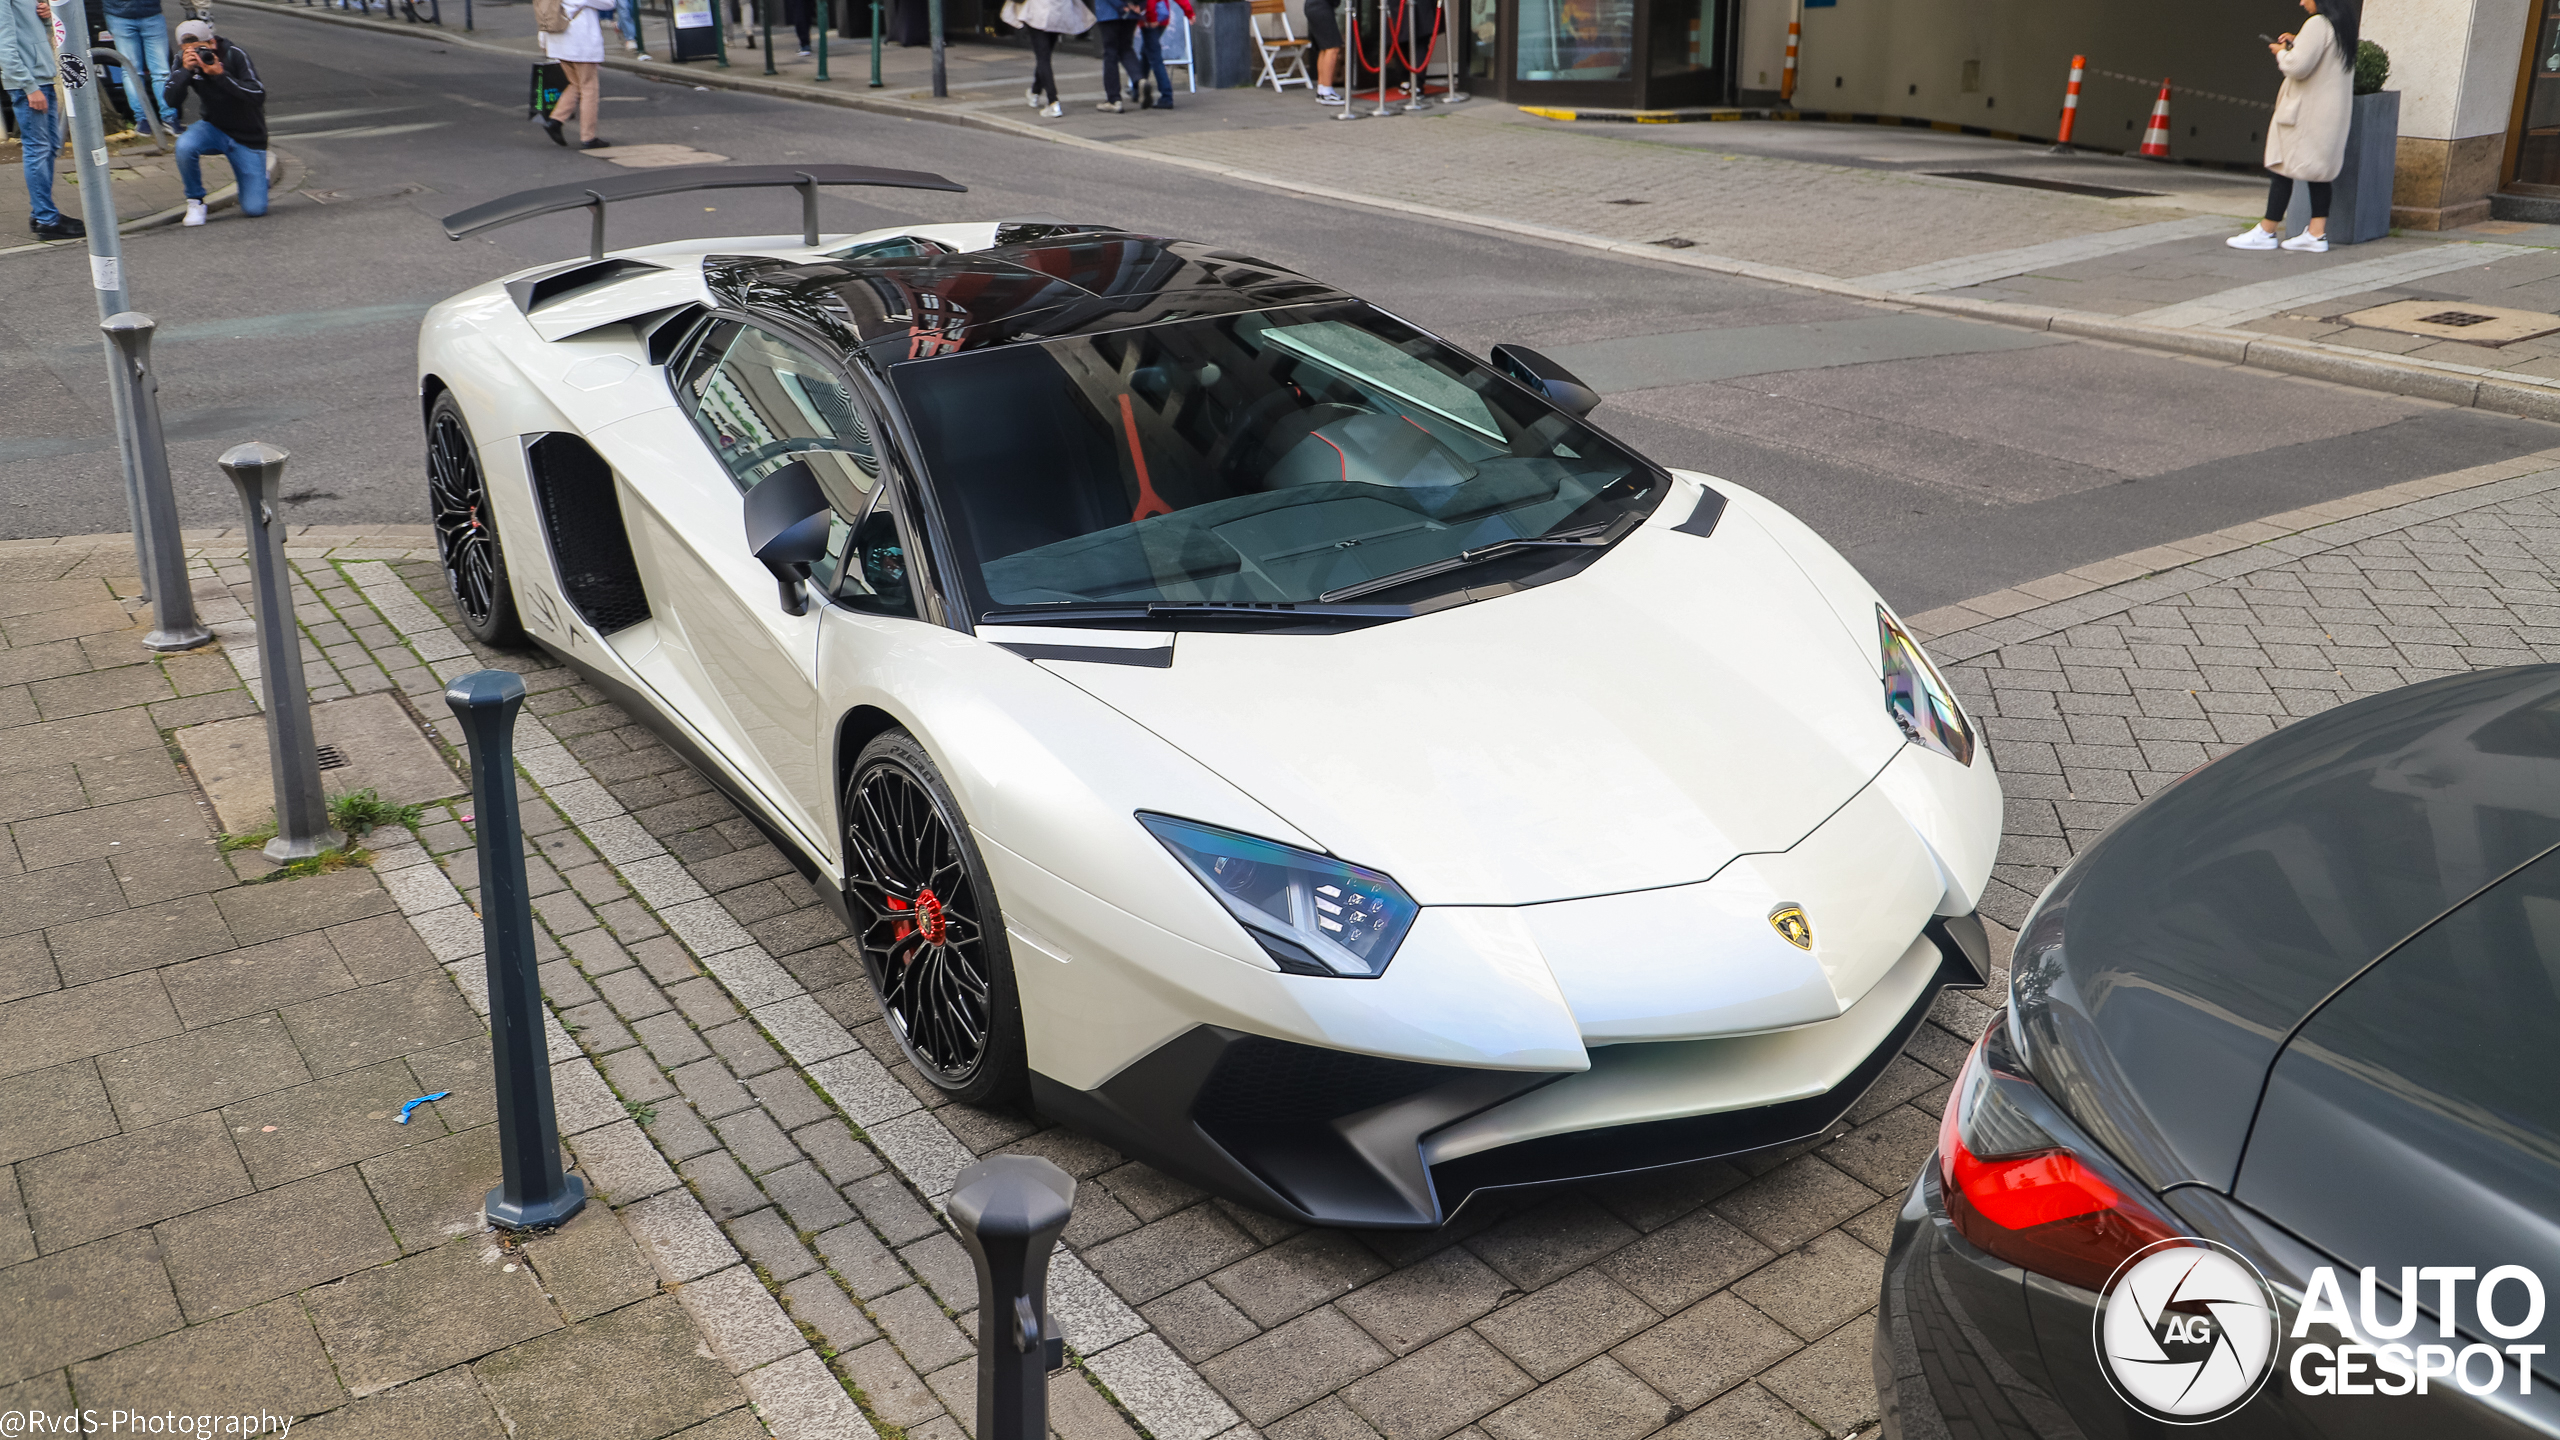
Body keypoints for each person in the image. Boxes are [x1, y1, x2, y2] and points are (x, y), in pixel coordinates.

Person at [2229, 0, 2356, 254]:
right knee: (2318, 174)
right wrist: (2298, 42)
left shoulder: (2317, 23)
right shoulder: (2342, 25)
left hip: (2304, 114)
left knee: (2281, 169)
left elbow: (2297, 66)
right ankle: (2316, 233)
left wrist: (2281, 52)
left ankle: (2267, 230)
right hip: (2328, 115)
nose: (2302, 1)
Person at [164, 18, 267, 226]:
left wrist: (221, 75)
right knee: (184, 145)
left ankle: (257, 177)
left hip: (248, 136)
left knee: (255, 209)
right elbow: (170, 100)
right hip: (214, 128)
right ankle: (196, 201)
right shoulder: (183, 59)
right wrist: (185, 71)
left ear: (212, 43)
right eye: (188, 49)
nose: (197, 54)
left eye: (201, 48)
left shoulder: (234, 54)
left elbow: (258, 94)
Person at [0, 0, 81, 239]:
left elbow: (37, 30)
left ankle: (42, 213)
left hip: (42, 77)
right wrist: (28, 87)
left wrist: (46, 17)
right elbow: (4, 46)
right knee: (38, 149)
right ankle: (46, 219)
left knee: (49, 148)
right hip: (30, 83)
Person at [538, 0, 616, 149]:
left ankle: (556, 120)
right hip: (580, 39)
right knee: (589, 88)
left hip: (557, 36)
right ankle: (588, 136)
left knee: (575, 83)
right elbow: (608, 3)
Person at [101, 0, 176, 136]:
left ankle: (144, 121)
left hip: (121, 14)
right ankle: (167, 119)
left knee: (133, 71)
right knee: (159, 71)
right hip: (144, 13)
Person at [1018, 0, 1083, 119]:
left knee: (1043, 58)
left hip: (1038, 12)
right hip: (1059, 13)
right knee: (1044, 57)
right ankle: (1035, 92)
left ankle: (1053, 101)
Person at [1136, 0, 1189, 109]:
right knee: (1146, 53)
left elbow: (1150, 3)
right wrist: (1189, 11)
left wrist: (1152, 18)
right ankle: (1138, 88)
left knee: (1155, 59)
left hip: (1150, 20)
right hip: (1163, 18)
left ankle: (1166, 96)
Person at [1091, 0, 1142, 112]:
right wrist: (1140, 5)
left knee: (1110, 53)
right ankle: (1139, 79)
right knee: (1126, 49)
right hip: (1131, 14)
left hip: (1109, 12)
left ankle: (1114, 99)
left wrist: (1121, 6)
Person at [1305, 0, 1342, 104]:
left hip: (1314, 6)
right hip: (1321, 7)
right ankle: (1326, 91)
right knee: (1332, 48)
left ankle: (1322, 89)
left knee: (1324, 48)